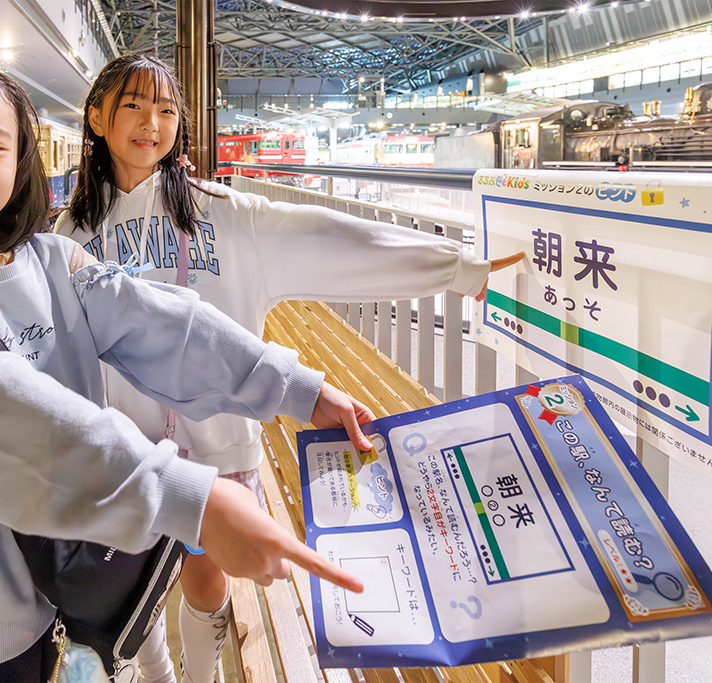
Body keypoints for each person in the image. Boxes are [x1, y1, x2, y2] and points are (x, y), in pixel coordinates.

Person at [0, 55, 372, 682]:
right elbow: (4, 412)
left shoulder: (56, 260)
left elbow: (166, 325)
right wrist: (192, 499)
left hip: (81, 601)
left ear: (19, 162)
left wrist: (300, 389)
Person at [55, 53, 525, 683]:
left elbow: (333, 238)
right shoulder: (70, 235)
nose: (151, 123)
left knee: (205, 578)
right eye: (133, 106)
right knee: (131, 580)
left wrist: (457, 267)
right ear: (96, 118)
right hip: (123, 445)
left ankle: (200, 678)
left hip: (216, 443)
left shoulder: (225, 213)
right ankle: (157, 674)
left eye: (166, 110)